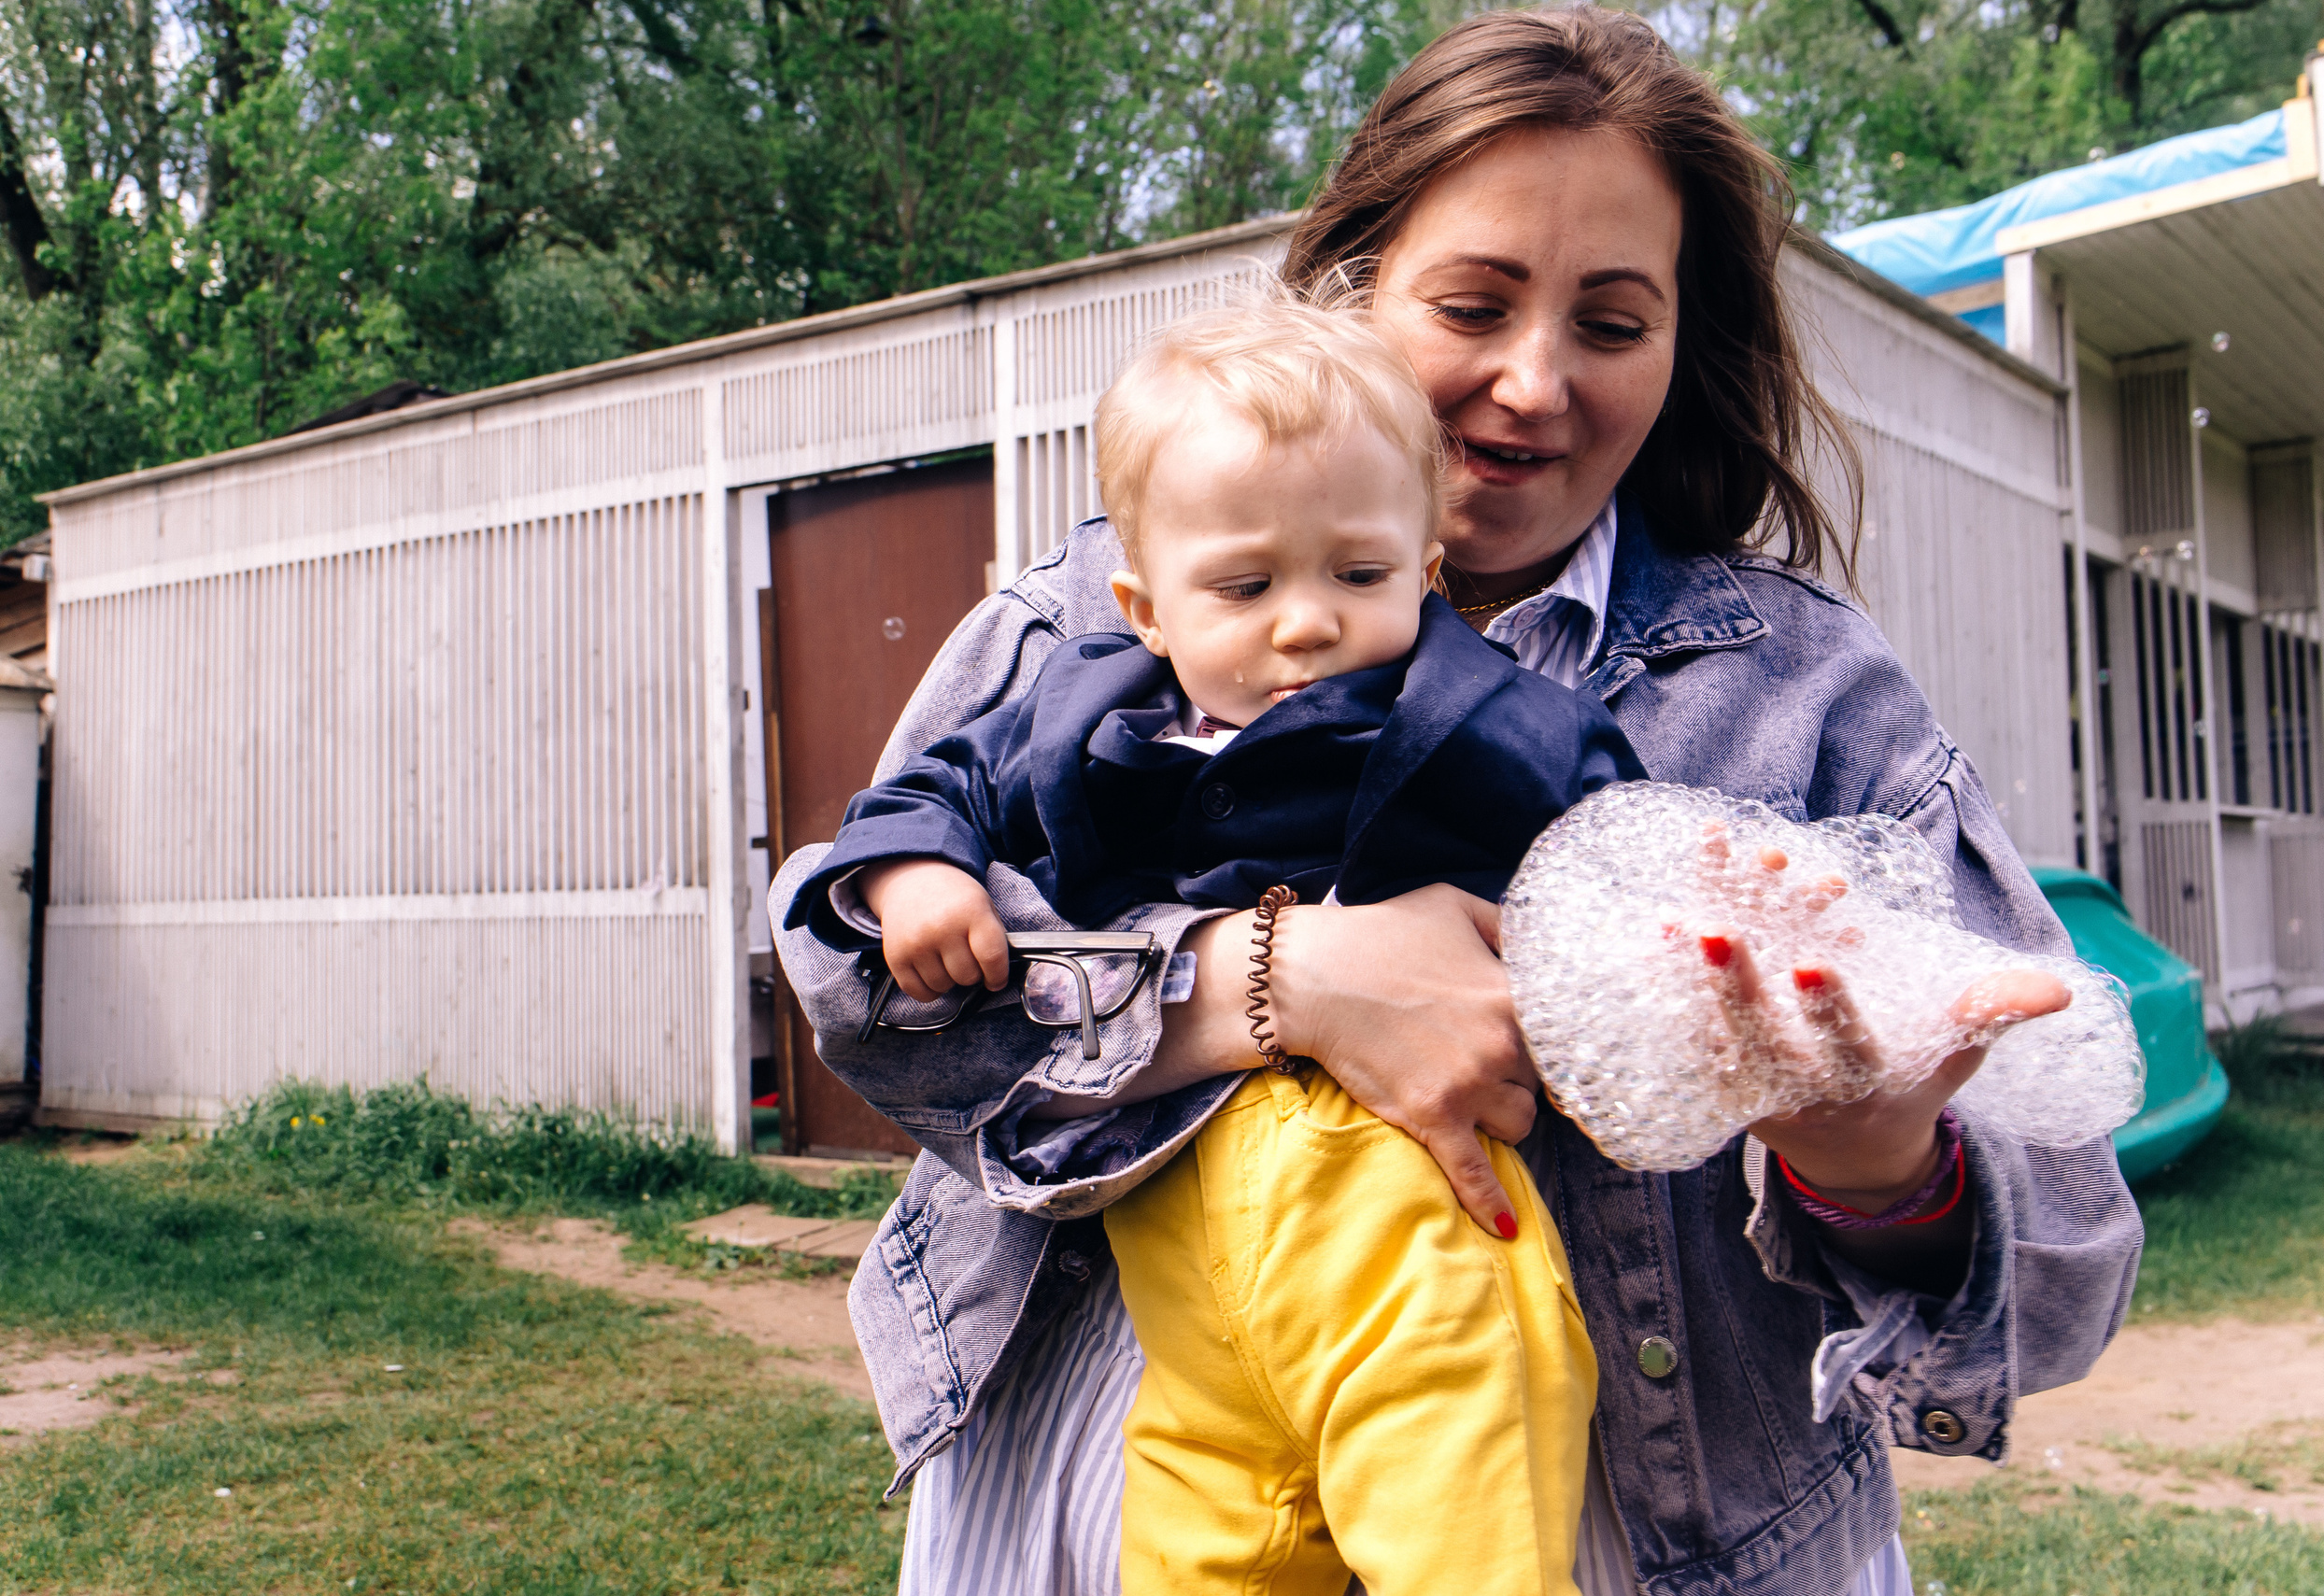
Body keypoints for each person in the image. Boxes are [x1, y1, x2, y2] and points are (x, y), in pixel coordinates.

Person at [768, 8, 2143, 1594]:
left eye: (1613, 323)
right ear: (1356, 288)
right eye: (1473, 303)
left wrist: (1883, 1163)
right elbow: (857, 975)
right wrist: (1272, 984)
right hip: (1117, 1511)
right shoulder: (1095, 612)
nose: (1535, 380)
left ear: (1684, 343)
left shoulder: (1805, 696)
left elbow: (2065, 1276)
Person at [786, 300, 1640, 1594]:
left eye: (1358, 574)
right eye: (1246, 586)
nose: (1306, 624)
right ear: (1145, 604)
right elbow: (928, 789)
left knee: (1467, 1523)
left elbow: (1628, 851)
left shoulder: (1484, 721)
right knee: (1201, 1537)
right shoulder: (1077, 712)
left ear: (1423, 568)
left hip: (1412, 1234)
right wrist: (915, 870)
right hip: (1182, 1275)